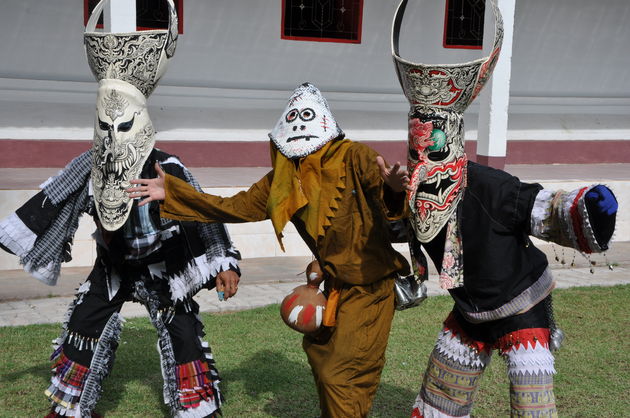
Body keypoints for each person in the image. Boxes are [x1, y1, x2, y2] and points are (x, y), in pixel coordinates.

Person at [0, 1, 240, 416]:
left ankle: (197, 408)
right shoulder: (87, 165)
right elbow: (49, 201)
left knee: (183, 333)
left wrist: (224, 264)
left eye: (123, 125)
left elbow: (203, 212)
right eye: (105, 126)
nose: (113, 135)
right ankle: (70, 406)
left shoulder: (169, 166)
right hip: (112, 264)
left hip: (165, 267)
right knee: (83, 328)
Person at [129, 82, 412, 418]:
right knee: (322, 357)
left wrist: (394, 189)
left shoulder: (355, 156)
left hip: (370, 287)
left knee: (344, 373)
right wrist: (174, 193)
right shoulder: (283, 178)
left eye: (310, 153)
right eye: (294, 155)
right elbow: (235, 205)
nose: (303, 160)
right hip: (334, 287)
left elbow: (383, 192)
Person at [390, 1, 619, 417]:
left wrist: (589, 206)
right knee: (441, 394)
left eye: (431, 143)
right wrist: (392, 196)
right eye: (415, 145)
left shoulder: (490, 186)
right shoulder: (414, 192)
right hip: (469, 307)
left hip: (520, 305)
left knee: (532, 403)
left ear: (452, 139)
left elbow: (541, 209)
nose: (422, 154)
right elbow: (401, 232)